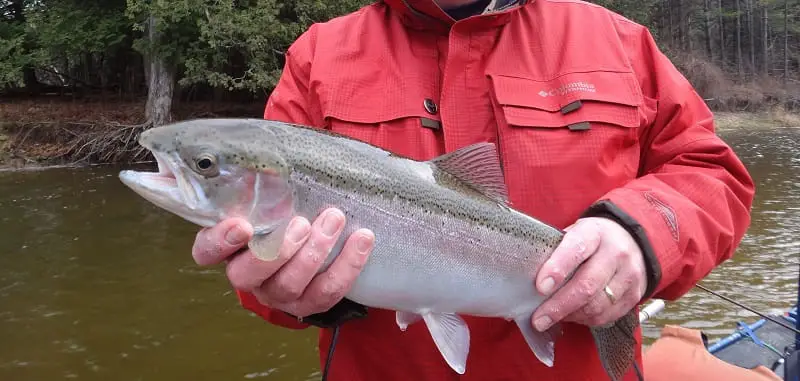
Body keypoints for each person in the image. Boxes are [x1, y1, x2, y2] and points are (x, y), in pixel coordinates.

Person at [189, 0, 756, 380]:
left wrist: (641, 235)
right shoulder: (317, 57)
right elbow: (260, 258)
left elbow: (713, 174)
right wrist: (284, 292)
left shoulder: (620, 41)